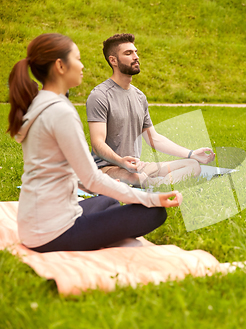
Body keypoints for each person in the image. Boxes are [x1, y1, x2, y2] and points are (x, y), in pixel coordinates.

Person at [8, 33, 182, 252]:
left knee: (108, 202)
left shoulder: (40, 102)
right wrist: (152, 199)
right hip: (53, 234)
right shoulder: (60, 112)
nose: (82, 66)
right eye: (77, 59)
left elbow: (63, 170)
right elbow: (92, 179)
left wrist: (101, 186)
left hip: (33, 224)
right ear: (61, 66)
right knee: (154, 212)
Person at [86, 33, 215, 188]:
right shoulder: (100, 96)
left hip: (138, 167)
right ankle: (159, 185)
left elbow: (153, 138)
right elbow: (97, 144)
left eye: (135, 52)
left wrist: (191, 153)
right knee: (137, 178)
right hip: (107, 168)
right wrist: (121, 162)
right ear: (113, 60)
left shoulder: (139, 96)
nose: (136, 57)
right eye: (128, 53)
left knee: (192, 165)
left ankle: (158, 184)